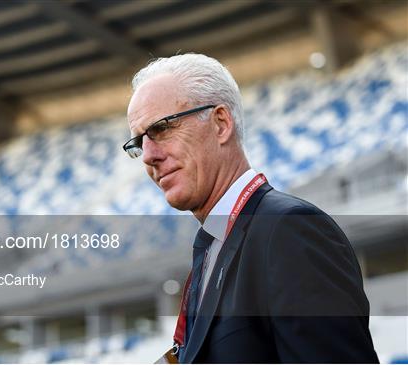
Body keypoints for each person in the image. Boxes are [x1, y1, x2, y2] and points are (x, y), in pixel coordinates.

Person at [124, 54, 379, 363]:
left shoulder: (289, 230)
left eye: (161, 129)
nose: (149, 155)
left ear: (220, 124)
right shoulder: (212, 250)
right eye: (138, 142)